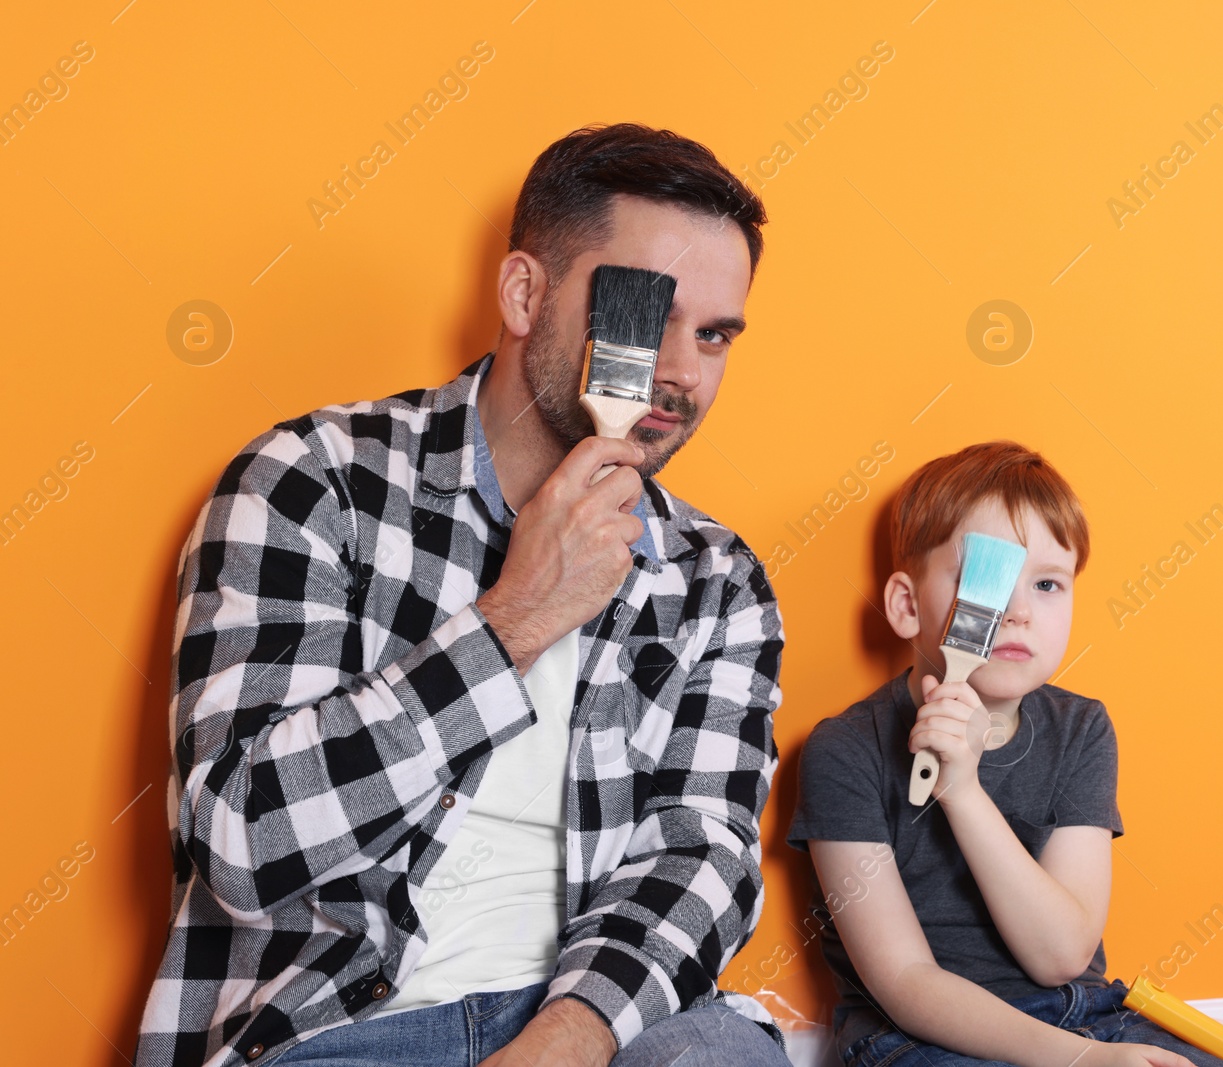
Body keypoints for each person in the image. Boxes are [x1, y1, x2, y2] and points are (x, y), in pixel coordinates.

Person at [135, 124, 790, 1067]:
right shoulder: (316, 484)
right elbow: (240, 842)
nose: (683, 371)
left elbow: (704, 862)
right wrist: (515, 618)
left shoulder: (719, 581)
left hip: (595, 1021)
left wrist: (564, 1041)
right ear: (526, 292)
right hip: (339, 1026)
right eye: (650, 314)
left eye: (715, 335)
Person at [786, 441, 1223, 1067]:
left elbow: (1061, 957)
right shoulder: (845, 752)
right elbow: (905, 983)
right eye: (987, 581)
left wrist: (962, 793)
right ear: (908, 606)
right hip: (925, 1037)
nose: (1020, 612)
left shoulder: (1081, 730)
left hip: (1085, 1015)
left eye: (1049, 583)